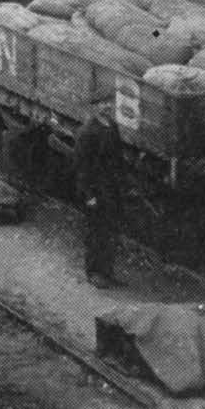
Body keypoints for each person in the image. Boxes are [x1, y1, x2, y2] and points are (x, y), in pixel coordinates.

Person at [73, 103, 123, 288]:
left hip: (111, 189)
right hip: (95, 190)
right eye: (102, 104)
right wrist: (88, 195)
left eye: (109, 102)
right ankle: (93, 272)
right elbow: (81, 167)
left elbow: (118, 159)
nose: (107, 107)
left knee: (110, 232)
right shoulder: (87, 132)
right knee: (96, 232)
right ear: (94, 108)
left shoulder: (112, 126)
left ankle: (107, 272)